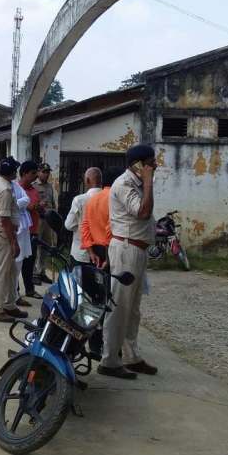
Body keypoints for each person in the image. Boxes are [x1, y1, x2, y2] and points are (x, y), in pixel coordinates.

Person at [97, 145, 158, 380]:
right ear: (138, 165)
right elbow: (142, 212)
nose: (155, 166)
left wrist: (147, 182)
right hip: (126, 249)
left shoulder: (137, 183)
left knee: (133, 310)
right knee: (119, 307)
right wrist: (149, 181)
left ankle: (131, 356)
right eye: (151, 162)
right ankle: (109, 360)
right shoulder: (124, 184)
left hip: (137, 249)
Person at [0, 157, 28, 323]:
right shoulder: (5, 189)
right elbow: (5, 218)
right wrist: (13, 242)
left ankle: (9, 304)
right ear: (11, 172)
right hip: (3, 232)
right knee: (2, 273)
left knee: (10, 272)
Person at [81, 167, 120, 268]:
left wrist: (91, 253)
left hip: (95, 252)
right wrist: (108, 259)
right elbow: (110, 229)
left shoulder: (92, 200)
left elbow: (85, 227)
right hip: (111, 250)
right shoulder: (115, 199)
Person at [64, 167, 102, 265]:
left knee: (79, 280)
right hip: (103, 253)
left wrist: (80, 227)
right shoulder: (109, 198)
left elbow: (69, 225)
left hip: (81, 253)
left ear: (87, 180)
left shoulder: (80, 200)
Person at [17, 161, 41, 300]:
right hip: (20, 232)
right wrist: (29, 206)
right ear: (24, 173)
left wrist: (39, 207)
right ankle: (16, 292)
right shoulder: (17, 189)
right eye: (33, 173)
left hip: (33, 231)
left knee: (29, 263)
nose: (35, 176)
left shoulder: (34, 190)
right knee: (16, 264)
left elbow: (35, 207)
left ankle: (30, 290)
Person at [33, 163, 57, 284]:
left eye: (48, 172)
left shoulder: (50, 186)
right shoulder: (34, 186)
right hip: (38, 220)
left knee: (46, 247)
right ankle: (34, 273)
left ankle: (41, 271)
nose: (46, 174)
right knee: (36, 246)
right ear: (38, 172)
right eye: (44, 172)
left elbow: (52, 203)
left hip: (48, 221)